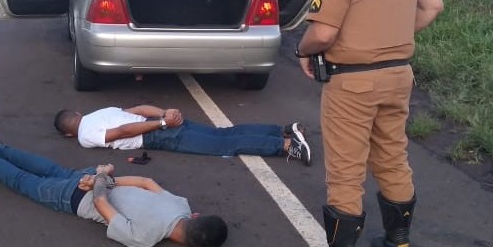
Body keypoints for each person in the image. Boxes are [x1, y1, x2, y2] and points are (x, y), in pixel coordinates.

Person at [291, 0, 445, 247]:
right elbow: (432, 5)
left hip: (352, 84)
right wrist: (388, 37)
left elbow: (323, 34)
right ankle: (400, 245)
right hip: (399, 75)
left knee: (345, 170)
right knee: (393, 157)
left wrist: (302, 51)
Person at [0, 130, 229, 247]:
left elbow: (145, 182)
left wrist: (103, 177)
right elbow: (102, 204)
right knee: (21, 181)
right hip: (78, 197)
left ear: (196, 215)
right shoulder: (145, 239)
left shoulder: (180, 205)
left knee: (52, 169)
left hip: (91, 181)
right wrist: (101, 181)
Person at [53, 105, 312, 166]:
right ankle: (283, 130)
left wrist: (162, 122)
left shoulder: (84, 135)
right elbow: (138, 108)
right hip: (161, 122)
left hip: (158, 134)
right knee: (224, 134)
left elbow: (122, 132)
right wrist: (165, 113)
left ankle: (288, 145)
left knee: (226, 144)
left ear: (68, 134)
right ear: (77, 112)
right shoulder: (99, 113)